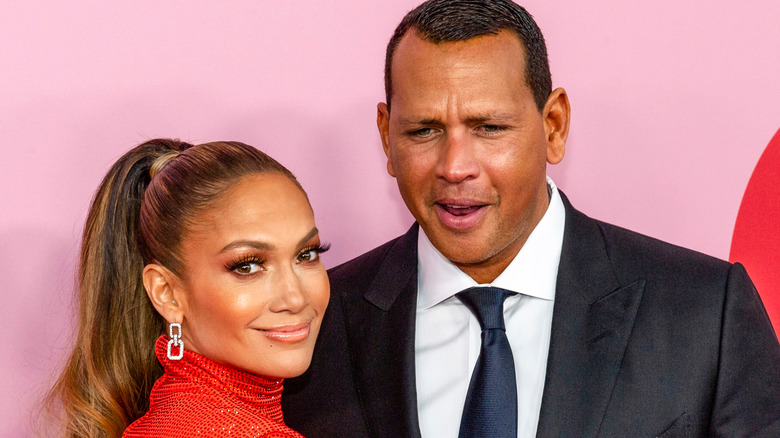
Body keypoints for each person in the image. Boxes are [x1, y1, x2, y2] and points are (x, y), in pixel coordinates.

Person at [282, 0, 780, 437]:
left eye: (490, 127)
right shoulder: (311, 328)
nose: (455, 166)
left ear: (554, 126)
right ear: (386, 136)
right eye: (423, 131)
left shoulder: (705, 311)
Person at [45, 139, 329, 437]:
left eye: (306, 254)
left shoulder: (158, 424)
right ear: (166, 292)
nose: (295, 298)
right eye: (247, 266)